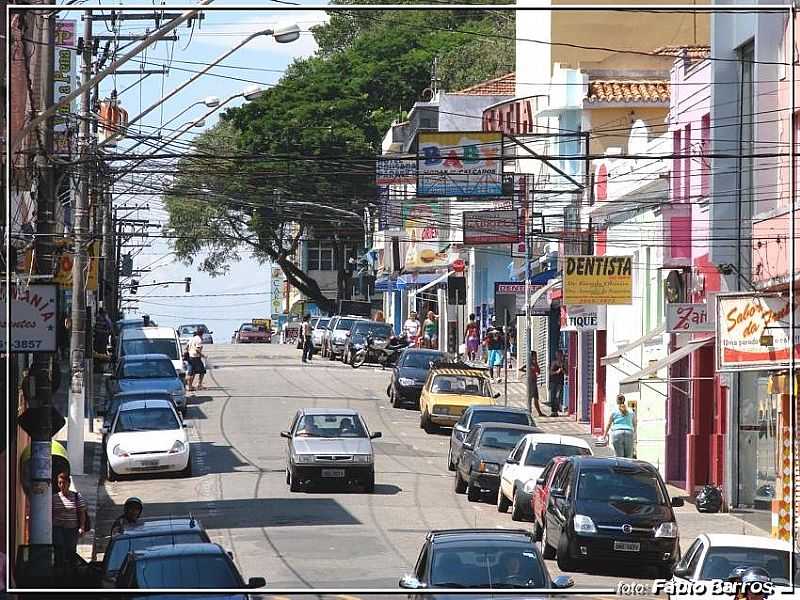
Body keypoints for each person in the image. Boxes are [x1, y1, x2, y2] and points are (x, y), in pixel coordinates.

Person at [52, 471, 87, 568]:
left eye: (64, 482)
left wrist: (82, 527)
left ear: (69, 483)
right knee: (59, 550)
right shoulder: (54, 498)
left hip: (72, 529)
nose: (62, 485)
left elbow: (82, 512)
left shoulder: (76, 496)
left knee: (71, 551)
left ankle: (71, 572)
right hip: (58, 529)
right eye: (60, 483)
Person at [549, 350, 565, 417]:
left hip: (560, 382)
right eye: (557, 355)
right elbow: (550, 372)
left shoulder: (563, 363)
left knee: (558, 397)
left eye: (560, 355)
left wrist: (563, 370)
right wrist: (557, 372)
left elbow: (567, 372)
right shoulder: (554, 363)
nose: (559, 356)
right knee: (553, 397)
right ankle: (553, 411)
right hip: (553, 382)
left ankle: (556, 410)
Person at [529, 351, 544, 417]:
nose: (536, 357)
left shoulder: (535, 363)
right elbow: (521, 369)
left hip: (534, 381)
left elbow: (538, 371)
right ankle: (530, 410)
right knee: (532, 397)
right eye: (535, 355)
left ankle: (539, 412)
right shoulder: (530, 363)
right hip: (531, 382)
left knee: (535, 397)